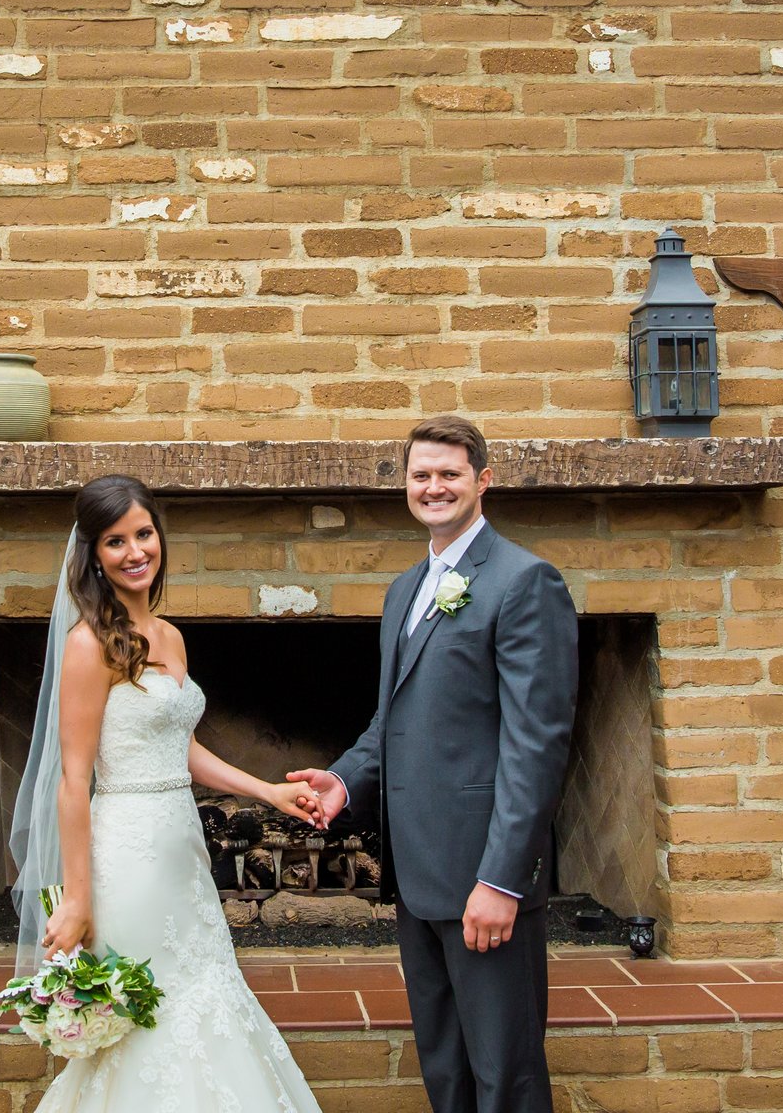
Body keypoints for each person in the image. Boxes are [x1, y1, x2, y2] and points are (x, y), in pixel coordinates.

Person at [290, 416, 580, 1113]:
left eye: (450, 473)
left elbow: (536, 745)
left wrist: (501, 880)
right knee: (446, 1068)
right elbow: (394, 721)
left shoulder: (524, 581)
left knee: (506, 1076)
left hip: (484, 879)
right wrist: (344, 779)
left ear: (483, 481)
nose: (434, 487)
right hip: (418, 877)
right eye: (421, 475)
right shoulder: (404, 590)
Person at [10, 473, 325, 1112]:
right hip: (127, 857)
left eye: (144, 534)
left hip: (182, 856)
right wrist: (77, 899)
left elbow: (178, 746)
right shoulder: (87, 645)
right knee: (149, 1019)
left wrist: (267, 791)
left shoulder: (171, 636)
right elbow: (74, 780)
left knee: (204, 996)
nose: (135, 552)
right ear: (94, 555)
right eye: (115, 541)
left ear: (160, 536)